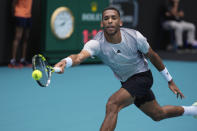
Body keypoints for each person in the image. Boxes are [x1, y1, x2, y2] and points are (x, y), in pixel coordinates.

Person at [55, 7, 197, 131]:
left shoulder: (135, 37)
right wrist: (65, 62)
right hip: (127, 82)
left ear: (120, 22)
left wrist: (169, 80)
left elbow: (153, 56)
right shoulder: (96, 43)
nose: (110, 21)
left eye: (113, 18)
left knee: (113, 104)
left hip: (142, 77)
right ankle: (193, 110)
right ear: (102, 23)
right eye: (106, 18)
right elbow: (79, 57)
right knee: (157, 114)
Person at [8, 0, 33, 68]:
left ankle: (23, 60)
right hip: (19, 15)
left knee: (26, 38)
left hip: (28, 16)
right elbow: (14, 2)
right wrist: (14, 12)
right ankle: (12, 61)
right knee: (18, 37)